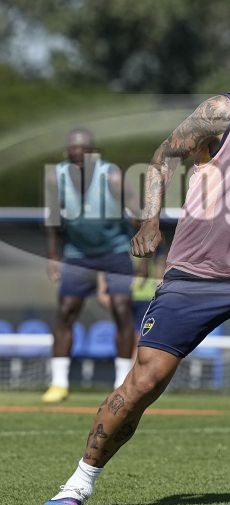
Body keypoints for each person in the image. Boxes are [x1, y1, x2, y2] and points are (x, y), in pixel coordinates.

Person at [42, 19, 230, 505]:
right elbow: (164, 155)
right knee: (144, 382)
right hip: (198, 275)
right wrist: (149, 222)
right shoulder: (225, 112)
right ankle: (79, 482)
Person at [42, 127, 142, 403]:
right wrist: (53, 257)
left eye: (84, 150)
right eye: (73, 150)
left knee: (122, 309)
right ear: (67, 153)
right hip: (78, 253)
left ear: (94, 154)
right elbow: (52, 219)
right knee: (66, 310)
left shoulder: (112, 176)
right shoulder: (56, 177)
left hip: (115, 250)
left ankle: (122, 383)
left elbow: (138, 215)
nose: (78, 155)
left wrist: (143, 259)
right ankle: (59, 383)